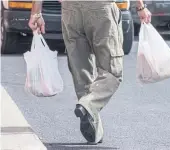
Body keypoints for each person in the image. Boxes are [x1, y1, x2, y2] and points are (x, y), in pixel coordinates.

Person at [29, 0, 151, 144]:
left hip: (70, 10)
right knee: (112, 71)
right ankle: (88, 105)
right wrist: (140, 6)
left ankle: (94, 130)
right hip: (100, 8)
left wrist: (36, 12)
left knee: (81, 70)